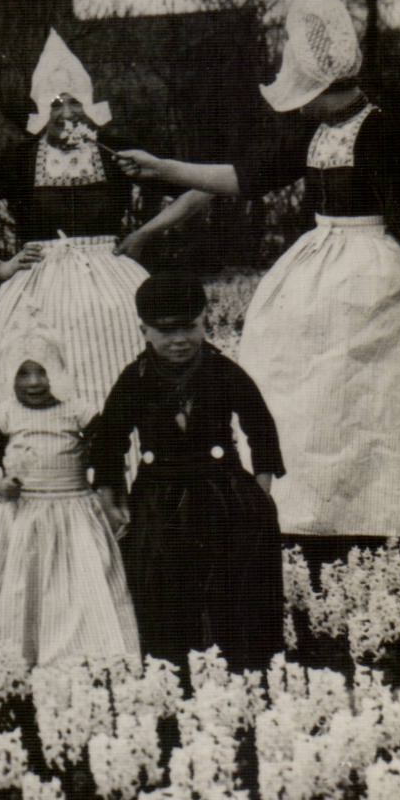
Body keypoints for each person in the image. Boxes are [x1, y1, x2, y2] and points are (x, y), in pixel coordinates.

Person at [117, 0, 400, 570]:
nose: (297, 107)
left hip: (373, 277)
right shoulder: (315, 134)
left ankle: (367, 520)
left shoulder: (384, 133)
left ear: (319, 89)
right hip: (319, 268)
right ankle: (304, 513)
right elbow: (241, 177)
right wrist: (160, 167)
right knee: (292, 383)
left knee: (363, 400)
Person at [0, 29, 206, 409]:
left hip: (114, 280)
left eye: (74, 103)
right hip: (39, 285)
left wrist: (145, 232)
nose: (66, 114)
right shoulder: (18, 159)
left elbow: (200, 188)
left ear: (89, 106)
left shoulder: (115, 151)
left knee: (124, 361)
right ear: (42, 110)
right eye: (56, 105)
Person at [88, 271, 285, 676]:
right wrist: (111, 499)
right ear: (143, 330)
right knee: (165, 580)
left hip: (223, 492)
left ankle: (246, 664)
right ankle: (172, 666)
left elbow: (260, 426)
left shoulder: (223, 371)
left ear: (204, 322)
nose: (180, 340)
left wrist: (260, 490)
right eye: (166, 331)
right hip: (160, 494)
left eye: (190, 328)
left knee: (236, 578)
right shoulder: (135, 379)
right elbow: (110, 440)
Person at [0, 334, 138, 666]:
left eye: (42, 372)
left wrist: (110, 497)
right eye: (24, 373)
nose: (34, 382)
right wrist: (0, 484)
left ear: (59, 374)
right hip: (20, 514)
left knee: (79, 584)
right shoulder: (6, 414)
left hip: (73, 512)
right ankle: (14, 652)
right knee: (18, 584)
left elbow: (108, 454)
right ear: (9, 376)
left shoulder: (77, 411)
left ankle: (83, 654)